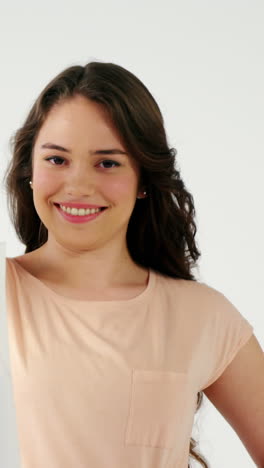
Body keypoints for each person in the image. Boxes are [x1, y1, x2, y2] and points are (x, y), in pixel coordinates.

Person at [2, 61, 264, 468]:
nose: (79, 186)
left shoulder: (202, 315)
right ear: (29, 170)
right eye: (57, 159)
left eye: (107, 163)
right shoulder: (6, 294)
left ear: (143, 179)